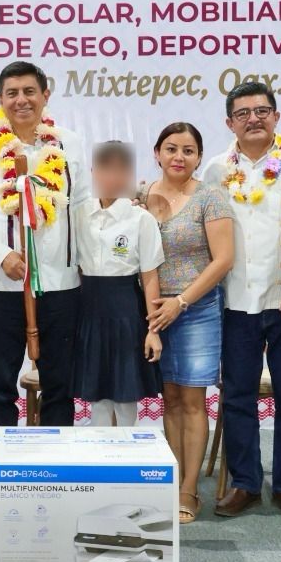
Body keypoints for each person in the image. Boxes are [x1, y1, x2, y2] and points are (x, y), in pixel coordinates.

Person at [203, 81, 281, 522]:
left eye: (262, 110)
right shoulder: (215, 169)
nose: (253, 118)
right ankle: (246, 483)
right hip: (234, 302)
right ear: (229, 122)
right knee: (237, 396)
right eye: (243, 113)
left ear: (276, 116)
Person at [0, 61, 89, 445]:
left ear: (45, 95)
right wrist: (2, 254)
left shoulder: (69, 143)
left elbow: (81, 206)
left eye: (29, 91)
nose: (21, 100)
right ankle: (7, 473)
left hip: (61, 284)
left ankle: (56, 468)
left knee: (59, 385)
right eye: (11, 92)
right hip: (1, 286)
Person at [144, 122, 233, 524]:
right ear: (157, 152)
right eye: (171, 149)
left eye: (189, 150)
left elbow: (223, 260)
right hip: (153, 313)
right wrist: (157, 310)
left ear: (199, 157)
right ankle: (170, 479)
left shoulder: (211, 197)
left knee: (193, 401)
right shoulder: (139, 197)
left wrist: (181, 301)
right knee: (170, 398)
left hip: (195, 310)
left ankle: (189, 489)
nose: (179, 157)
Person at [72, 141, 164, 428]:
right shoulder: (79, 215)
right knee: (97, 395)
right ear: (93, 172)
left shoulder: (141, 219)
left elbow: (150, 278)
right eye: (104, 169)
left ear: (129, 175)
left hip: (127, 311)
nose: (111, 177)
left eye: (119, 170)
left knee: (125, 394)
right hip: (88, 310)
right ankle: (100, 460)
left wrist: (153, 331)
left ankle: (126, 456)